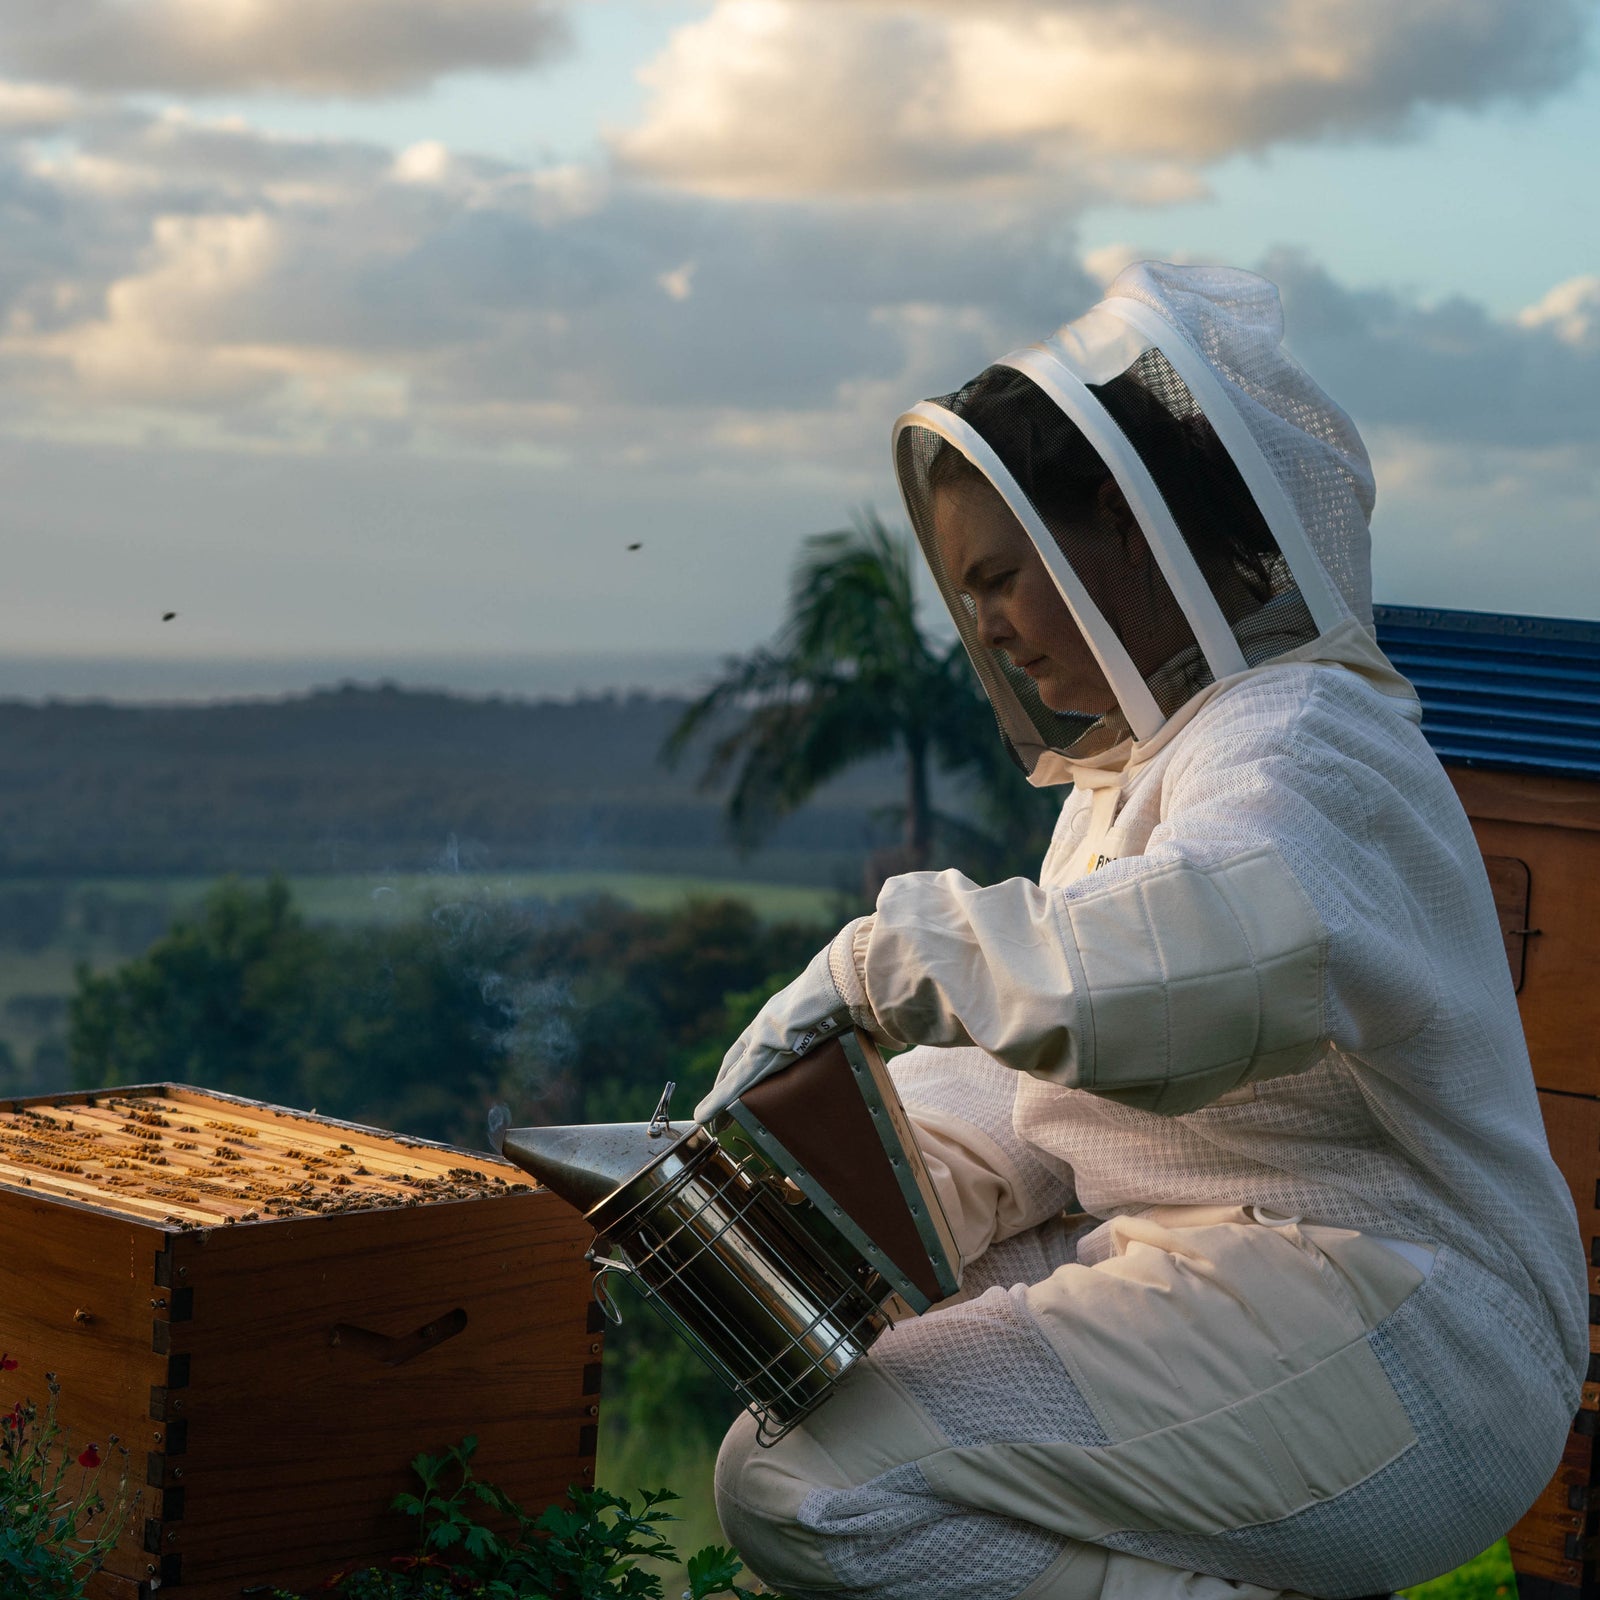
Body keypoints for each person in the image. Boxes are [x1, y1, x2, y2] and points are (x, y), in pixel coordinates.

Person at [696, 263, 1588, 1600]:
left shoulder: (1305, 738)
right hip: (1224, 1276)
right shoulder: (1129, 779)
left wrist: (886, 963)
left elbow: (1205, 952)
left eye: (1003, 575)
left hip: (1407, 1324)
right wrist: (837, 1188)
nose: (985, 626)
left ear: (1117, 525)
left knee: (815, 1485)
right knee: (809, 1418)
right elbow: (1034, 1088)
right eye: (969, 590)